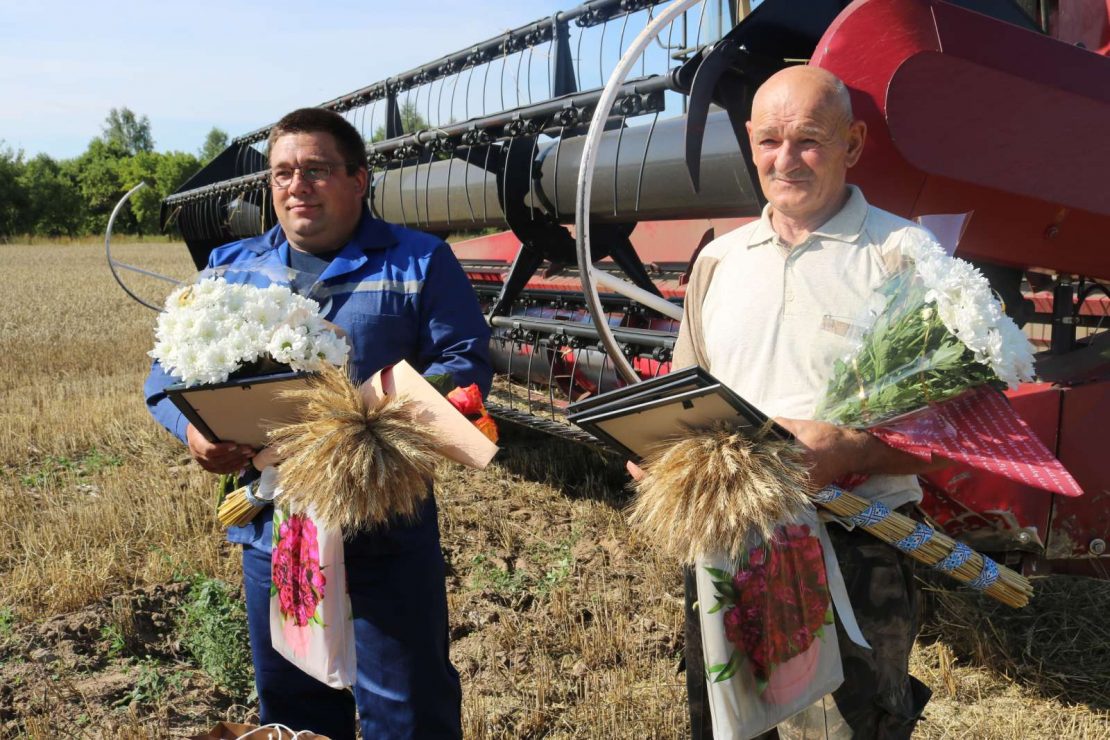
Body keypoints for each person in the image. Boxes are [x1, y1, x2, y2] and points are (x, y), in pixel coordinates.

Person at [144, 108, 491, 739]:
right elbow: (164, 379)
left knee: (409, 709)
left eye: (316, 169)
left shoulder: (418, 262)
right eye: (281, 174)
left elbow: (464, 367)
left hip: (383, 527)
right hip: (277, 534)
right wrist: (194, 432)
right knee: (296, 713)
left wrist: (375, 426)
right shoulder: (230, 269)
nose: (295, 185)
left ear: (360, 179)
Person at [673, 66, 941, 738]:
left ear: (853, 144)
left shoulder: (902, 256)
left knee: (855, 726)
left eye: (809, 141)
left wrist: (848, 448)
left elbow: (949, 427)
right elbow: (682, 397)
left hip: (858, 546)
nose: (784, 159)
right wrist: (663, 458)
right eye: (769, 141)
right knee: (730, 726)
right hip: (729, 547)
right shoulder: (720, 262)